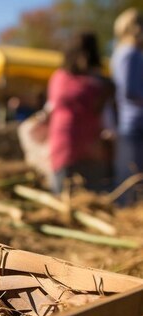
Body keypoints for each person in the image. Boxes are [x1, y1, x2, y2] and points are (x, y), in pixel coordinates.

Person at [47, 32, 110, 194]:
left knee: (93, 198)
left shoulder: (100, 81)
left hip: (92, 148)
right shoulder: (61, 78)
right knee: (65, 197)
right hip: (66, 147)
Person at [111, 8, 143, 204]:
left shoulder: (132, 52)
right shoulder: (128, 53)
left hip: (135, 122)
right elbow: (128, 91)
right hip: (133, 123)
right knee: (129, 175)